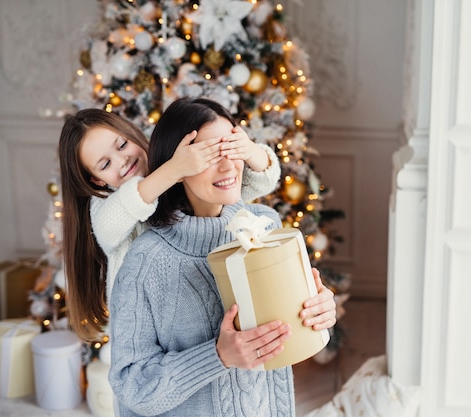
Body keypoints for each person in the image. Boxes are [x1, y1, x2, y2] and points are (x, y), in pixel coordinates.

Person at [107, 97, 337, 417]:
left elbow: (289, 335)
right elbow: (132, 385)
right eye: (211, 155)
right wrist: (218, 356)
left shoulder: (265, 224)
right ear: (179, 168)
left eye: (232, 149)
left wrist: (320, 308)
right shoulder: (147, 263)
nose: (228, 166)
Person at [59, 107, 281, 342]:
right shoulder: (107, 203)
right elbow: (113, 220)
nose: (122, 160)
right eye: (105, 165)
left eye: (122, 145)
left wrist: (249, 151)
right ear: (96, 180)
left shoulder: (178, 173)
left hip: (193, 311)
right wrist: (175, 169)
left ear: (132, 133)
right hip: (145, 326)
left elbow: (259, 181)